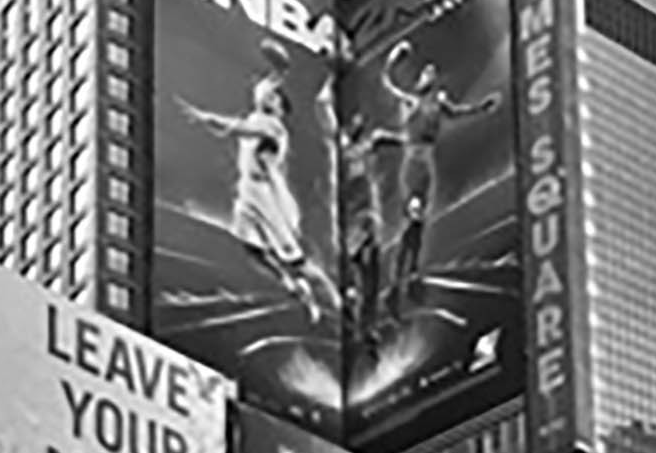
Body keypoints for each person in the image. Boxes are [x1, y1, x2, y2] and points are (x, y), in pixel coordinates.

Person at [177, 45, 335, 325]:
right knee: (252, 250)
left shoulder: (273, 127)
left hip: (268, 198)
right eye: (269, 94)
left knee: (297, 261)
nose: (267, 96)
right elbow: (258, 94)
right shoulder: (257, 113)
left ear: (280, 110)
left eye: (274, 98)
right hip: (247, 192)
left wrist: (206, 117)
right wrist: (279, 72)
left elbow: (239, 128)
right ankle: (291, 284)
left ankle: (332, 294)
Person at [360, 42, 499, 318]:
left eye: (432, 73)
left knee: (418, 226)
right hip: (413, 165)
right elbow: (388, 80)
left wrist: (482, 107)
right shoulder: (410, 101)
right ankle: (396, 285)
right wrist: (395, 58)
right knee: (410, 221)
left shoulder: (437, 105)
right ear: (420, 80)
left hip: (426, 165)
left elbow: (459, 112)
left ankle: (411, 277)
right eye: (425, 72)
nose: (429, 75)